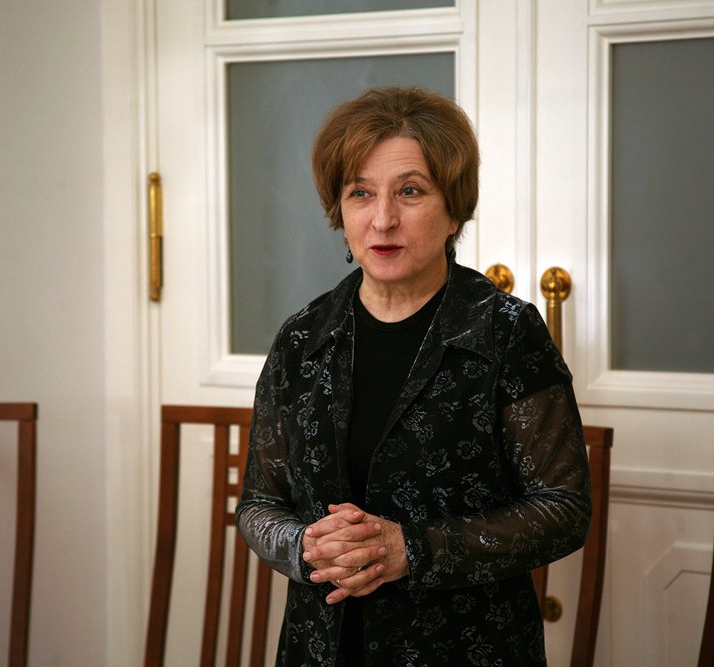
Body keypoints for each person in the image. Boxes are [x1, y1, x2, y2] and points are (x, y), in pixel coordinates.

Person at [236, 85, 591, 667]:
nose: (383, 219)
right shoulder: (301, 339)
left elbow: (563, 509)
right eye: (360, 193)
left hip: (469, 648)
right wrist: (305, 547)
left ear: (454, 209)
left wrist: (412, 549)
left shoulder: (507, 332)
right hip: (322, 647)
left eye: (410, 191)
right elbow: (258, 503)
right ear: (340, 211)